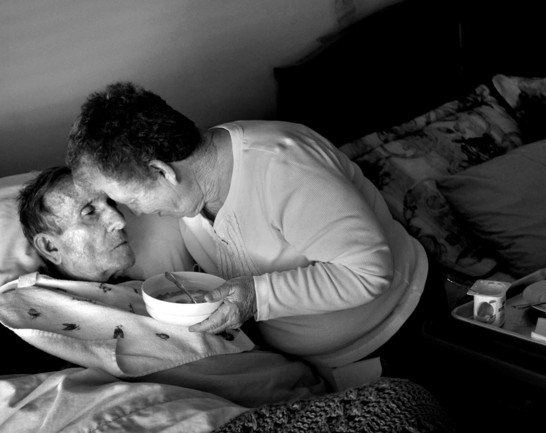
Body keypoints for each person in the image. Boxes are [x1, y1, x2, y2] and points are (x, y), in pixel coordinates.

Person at [66, 81, 445, 385]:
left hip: (402, 333)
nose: (136, 212)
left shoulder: (283, 168)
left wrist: (254, 297)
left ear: (163, 171)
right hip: (320, 361)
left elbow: (368, 272)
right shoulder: (193, 191)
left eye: (131, 199)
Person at [4, 165, 327, 407]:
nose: (119, 221)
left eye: (112, 206)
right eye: (89, 212)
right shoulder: (21, 311)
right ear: (49, 247)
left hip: (307, 387)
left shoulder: (150, 290)